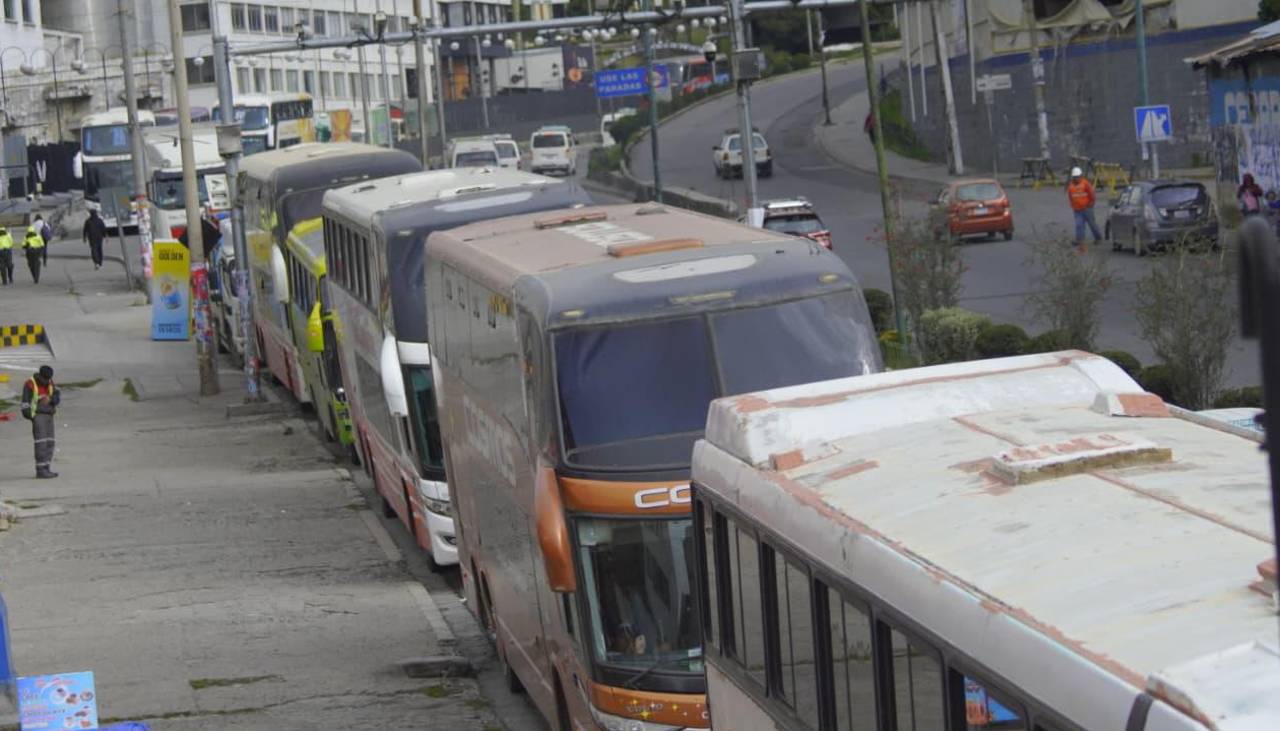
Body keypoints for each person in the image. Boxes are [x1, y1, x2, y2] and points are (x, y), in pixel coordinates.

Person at [20, 365, 61, 479]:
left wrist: (51, 399)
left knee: (50, 442)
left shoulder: (50, 382)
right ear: (40, 375)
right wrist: (33, 417)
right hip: (38, 416)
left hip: (49, 415)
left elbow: (57, 397)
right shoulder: (30, 384)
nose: (47, 381)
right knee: (41, 443)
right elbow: (25, 406)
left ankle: (46, 468)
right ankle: (41, 470)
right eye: (45, 379)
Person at [1067, 166, 1102, 250]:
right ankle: (1079, 240)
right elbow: (1070, 197)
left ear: (1081, 176)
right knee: (1079, 225)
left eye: (1078, 177)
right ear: (1073, 177)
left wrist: (1091, 203)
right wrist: (1073, 206)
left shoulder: (1085, 184)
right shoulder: (1070, 187)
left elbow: (1092, 195)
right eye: (1075, 177)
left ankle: (1098, 238)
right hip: (1077, 210)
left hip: (1087, 208)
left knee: (1092, 224)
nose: (1077, 179)